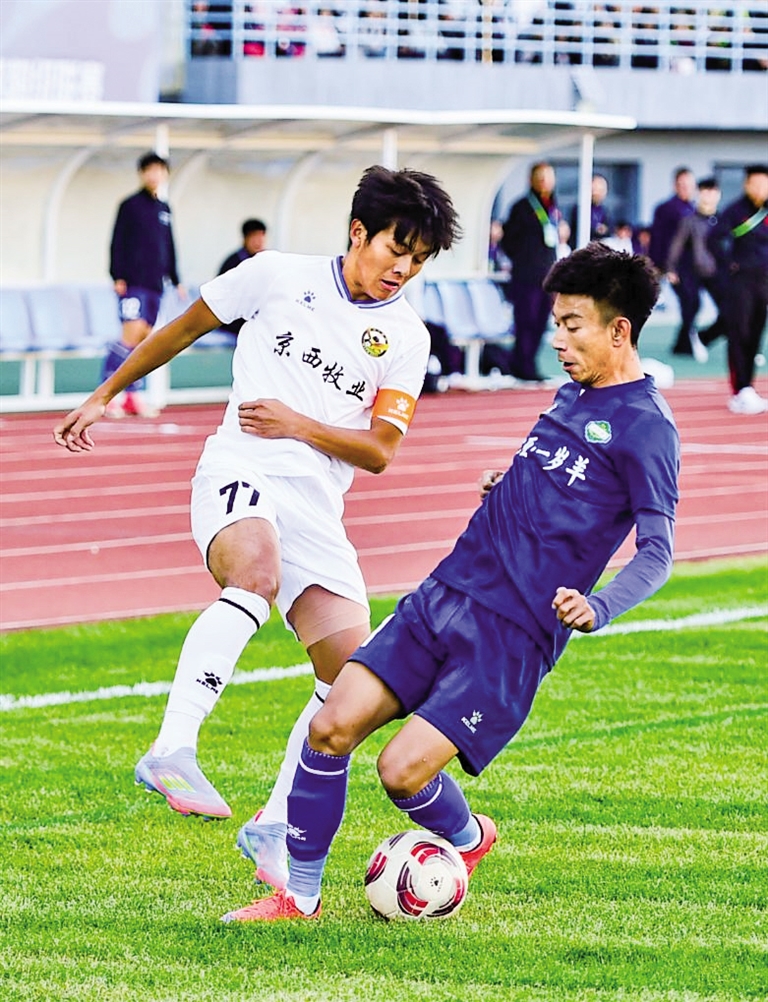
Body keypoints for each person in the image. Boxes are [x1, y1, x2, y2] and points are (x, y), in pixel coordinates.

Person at [221, 242, 680, 922]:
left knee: (400, 772)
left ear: (619, 330)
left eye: (572, 325)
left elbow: (658, 551)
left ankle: (468, 838)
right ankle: (299, 897)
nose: (557, 339)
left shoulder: (647, 427)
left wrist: (600, 605)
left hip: (511, 635)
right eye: (555, 322)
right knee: (329, 726)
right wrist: (509, 485)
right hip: (443, 594)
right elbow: (557, 482)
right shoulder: (570, 394)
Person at [53, 166, 461, 839]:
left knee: (350, 678)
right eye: (397, 249)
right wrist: (104, 394)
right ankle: (171, 748)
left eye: (419, 260)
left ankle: (273, 824)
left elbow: (380, 449)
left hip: (316, 506)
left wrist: (298, 424)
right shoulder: (275, 275)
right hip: (240, 467)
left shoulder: (408, 338)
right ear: (358, 231)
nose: (404, 270)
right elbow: (181, 328)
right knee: (255, 577)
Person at [105, 152, 184, 418]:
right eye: (149, 170)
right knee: (130, 335)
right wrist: (117, 275)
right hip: (133, 282)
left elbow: (169, 246)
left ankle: (132, 396)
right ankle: (107, 397)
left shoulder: (164, 208)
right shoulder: (130, 205)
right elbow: (117, 241)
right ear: (141, 173)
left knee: (143, 341)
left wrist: (176, 278)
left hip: (155, 285)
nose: (154, 175)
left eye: (159, 170)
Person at [710, 164, 768, 415]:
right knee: (739, 334)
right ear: (746, 185)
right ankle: (740, 390)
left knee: (756, 334)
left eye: (764, 184)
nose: (759, 189)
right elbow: (714, 240)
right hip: (740, 282)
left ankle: (748, 388)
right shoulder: (735, 211)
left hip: (763, 282)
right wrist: (729, 265)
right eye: (755, 184)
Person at [500, 161, 560, 382]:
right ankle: (522, 365)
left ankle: (530, 363)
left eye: (548, 177)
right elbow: (508, 241)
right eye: (540, 177)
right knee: (526, 321)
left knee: (540, 323)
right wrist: (525, 258)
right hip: (527, 276)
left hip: (546, 276)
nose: (545, 182)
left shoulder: (553, 207)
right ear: (531, 180)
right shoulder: (522, 207)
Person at [666, 177, 726, 364]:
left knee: (729, 309)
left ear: (718, 195)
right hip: (691, 271)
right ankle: (684, 345)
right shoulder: (689, 220)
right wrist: (670, 268)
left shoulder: (723, 219)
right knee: (691, 306)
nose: (709, 196)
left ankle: (703, 338)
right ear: (699, 194)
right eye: (705, 192)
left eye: (712, 192)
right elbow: (676, 245)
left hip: (716, 272)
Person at [648, 167, 697, 355]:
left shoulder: (694, 209)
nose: (686, 188)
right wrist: (662, 266)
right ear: (675, 185)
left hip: (692, 265)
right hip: (673, 265)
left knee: (693, 302)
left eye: (689, 185)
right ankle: (684, 342)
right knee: (688, 300)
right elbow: (658, 238)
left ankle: (683, 342)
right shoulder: (665, 209)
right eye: (682, 184)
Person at [217, 218, 268, 335]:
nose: (258, 242)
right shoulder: (232, 263)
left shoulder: (268, 261)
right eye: (254, 237)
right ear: (245, 238)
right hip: (236, 320)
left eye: (261, 236)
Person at [568, 173, 611, 248]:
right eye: (596, 189)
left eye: (602, 190)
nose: (598, 193)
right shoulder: (581, 209)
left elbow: (608, 229)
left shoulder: (604, 211)